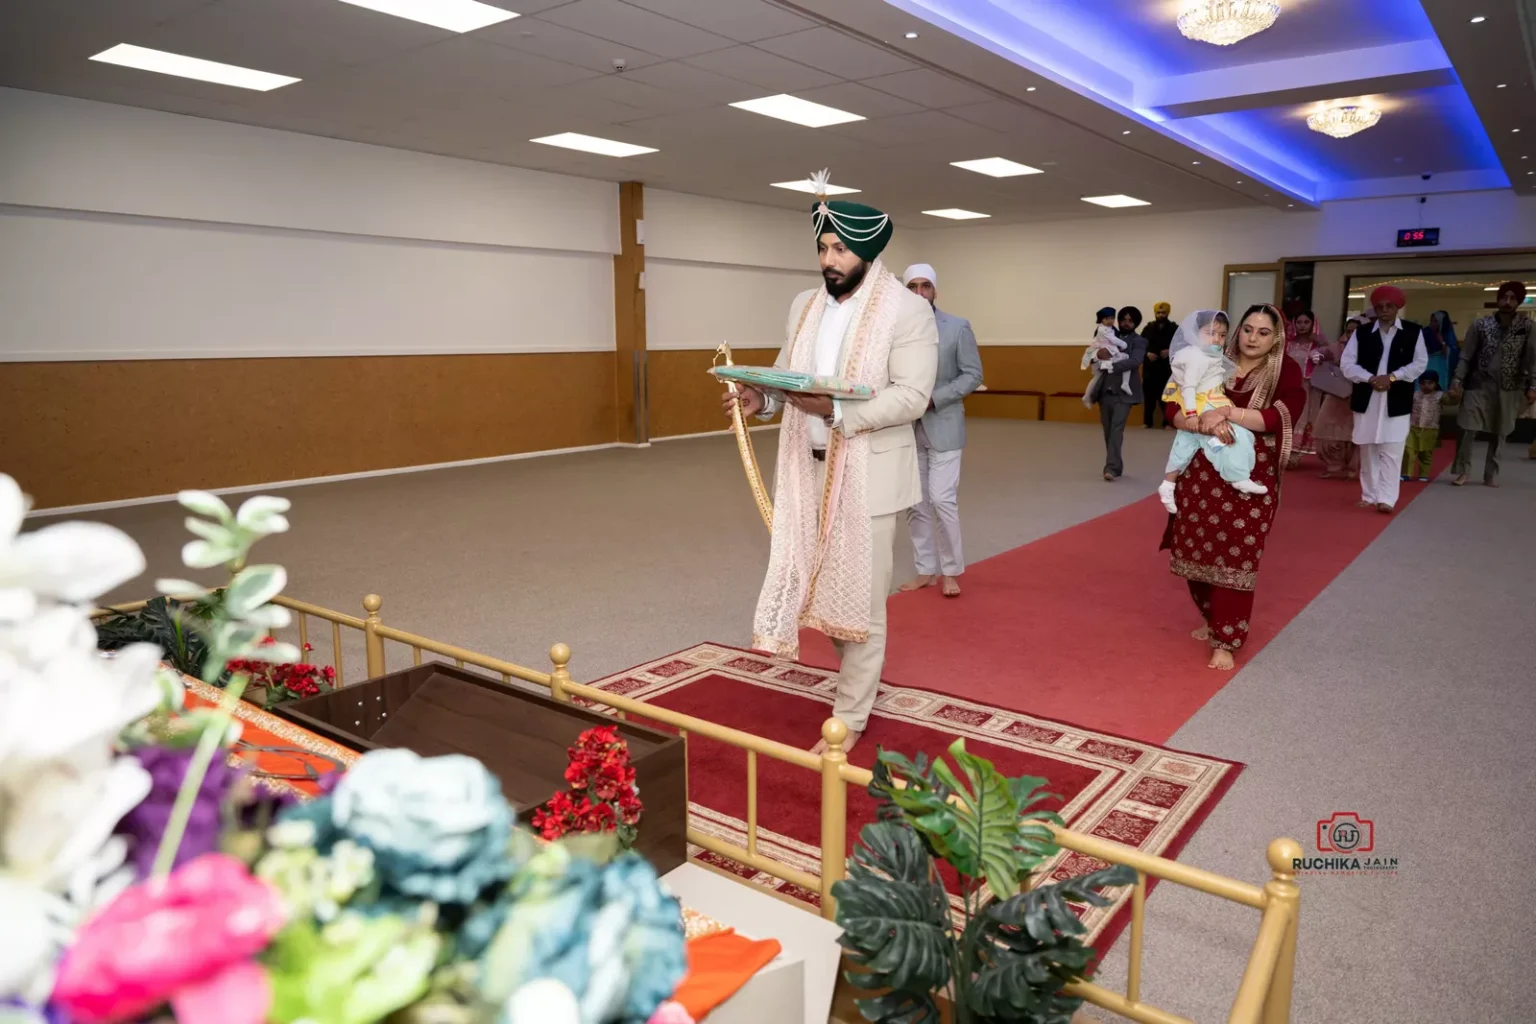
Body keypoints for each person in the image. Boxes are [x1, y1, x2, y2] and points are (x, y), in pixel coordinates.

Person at [722, 175, 937, 754]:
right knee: (818, 590)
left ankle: (851, 714)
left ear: (869, 250)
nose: (829, 259)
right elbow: (785, 373)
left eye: (840, 248)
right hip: (804, 467)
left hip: (868, 473)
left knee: (861, 603)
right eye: (823, 247)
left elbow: (912, 396)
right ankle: (858, 683)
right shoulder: (804, 306)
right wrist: (759, 399)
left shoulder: (907, 312)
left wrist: (839, 409)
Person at [1160, 304, 1305, 671]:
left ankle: (1227, 638)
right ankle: (1210, 616)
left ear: (1276, 339)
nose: (1252, 338)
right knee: (1193, 548)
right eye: (1247, 330)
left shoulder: (1284, 370)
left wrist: (1226, 413)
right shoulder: (1209, 355)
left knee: (1236, 556)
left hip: (1250, 472)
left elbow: (1281, 416)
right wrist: (1198, 423)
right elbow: (1172, 405)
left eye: (1263, 332)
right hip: (1201, 471)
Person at [898, 263, 982, 598]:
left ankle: (950, 571)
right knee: (915, 504)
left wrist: (934, 399)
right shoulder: (893, 330)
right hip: (904, 428)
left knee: (942, 499)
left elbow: (972, 374)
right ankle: (925, 570)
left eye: (925, 287)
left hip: (944, 422)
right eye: (912, 287)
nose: (919, 293)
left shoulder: (957, 327)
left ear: (935, 290)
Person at [1157, 309, 1267, 514]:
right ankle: (1238, 476)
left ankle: (1167, 484)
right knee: (1237, 435)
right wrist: (1191, 415)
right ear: (1195, 333)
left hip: (1209, 400)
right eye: (1210, 333)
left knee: (1185, 444)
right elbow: (1188, 387)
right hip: (1201, 403)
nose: (1217, 339)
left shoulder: (1211, 354)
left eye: (1222, 334)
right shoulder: (1195, 356)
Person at [1340, 285, 1427, 513]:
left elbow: (1420, 363)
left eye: (1389, 306)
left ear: (1398, 307)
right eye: (1379, 306)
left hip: (1396, 399)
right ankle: (1369, 495)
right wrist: (1370, 378)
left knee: (1392, 449)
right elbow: (1347, 364)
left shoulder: (1413, 332)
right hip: (1367, 398)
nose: (1384, 310)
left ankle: (1387, 498)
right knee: (1367, 449)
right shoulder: (1361, 333)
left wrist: (1392, 377)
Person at [1449, 281, 1536, 487]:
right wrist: (1457, 380)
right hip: (1478, 383)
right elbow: (1466, 355)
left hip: (1509, 386)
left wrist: (1533, 386)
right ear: (1498, 299)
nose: (1507, 302)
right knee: (1467, 427)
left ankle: (1490, 474)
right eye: (1504, 297)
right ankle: (1463, 470)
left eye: (1512, 298)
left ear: (1519, 302)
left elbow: (1533, 358)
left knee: (1501, 430)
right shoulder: (1481, 325)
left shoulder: (1527, 327)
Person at [1094, 306, 1148, 481]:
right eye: (1123, 319)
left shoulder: (1139, 341)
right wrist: (1097, 355)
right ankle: (1116, 464)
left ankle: (1111, 467)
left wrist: (1111, 365)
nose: (1126, 323)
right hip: (1105, 390)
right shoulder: (1109, 334)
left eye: (1130, 320)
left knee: (1117, 428)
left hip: (1125, 392)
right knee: (1108, 429)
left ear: (1136, 323)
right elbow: (1095, 353)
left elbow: (1135, 361)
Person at [1312, 317, 1361, 480]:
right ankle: (1334, 465)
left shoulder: (1370, 348)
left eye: (1355, 331)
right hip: (1336, 393)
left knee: (1355, 433)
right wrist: (1317, 355)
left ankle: (1353, 469)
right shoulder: (1337, 347)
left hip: (1358, 395)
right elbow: (1322, 352)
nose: (1351, 334)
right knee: (1324, 427)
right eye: (1348, 331)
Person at [1284, 310, 1327, 458]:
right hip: (1288, 385)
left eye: (1306, 322)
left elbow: (1323, 366)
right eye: (1299, 322)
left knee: (1304, 416)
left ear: (1313, 324)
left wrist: (1320, 359)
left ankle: (1296, 454)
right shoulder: (1287, 344)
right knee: (1287, 415)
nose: (1302, 326)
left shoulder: (1317, 345)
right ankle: (1285, 450)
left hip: (1307, 387)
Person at [1081, 306, 1131, 404]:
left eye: (1112, 318)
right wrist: (1123, 344)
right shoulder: (1104, 330)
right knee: (1126, 358)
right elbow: (1113, 340)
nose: (1110, 321)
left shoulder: (1109, 328)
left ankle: (1087, 395)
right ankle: (1125, 383)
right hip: (1102, 355)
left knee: (1097, 378)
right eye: (1106, 319)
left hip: (1106, 352)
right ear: (1101, 319)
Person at [1401, 371, 1445, 482]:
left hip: (1430, 429)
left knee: (1426, 453)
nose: (1426, 386)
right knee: (1408, 450)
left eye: (1430, 383)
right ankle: (1406, 473)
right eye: (1423, 383)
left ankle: (1423, 475)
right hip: (1413, 427)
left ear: (1435, 384)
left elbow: (1452, 401)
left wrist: (1456, 395)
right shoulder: (1415, 395)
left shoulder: (1440, 396)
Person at [1142, 301, 1177, 429]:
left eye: (1163, 312)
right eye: (1158, 312)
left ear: (1167, 313)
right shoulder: (1148, 328)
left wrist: (1170, 351)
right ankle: (1147, 422)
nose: (1161, 315)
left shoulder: (1174, 328)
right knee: (1149, 396)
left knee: (1167, 396)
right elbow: (1140, 346)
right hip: (1150, 369)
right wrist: (1147, 354)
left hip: (1166, 369)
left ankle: (1167, 422)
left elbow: (1181, 346)